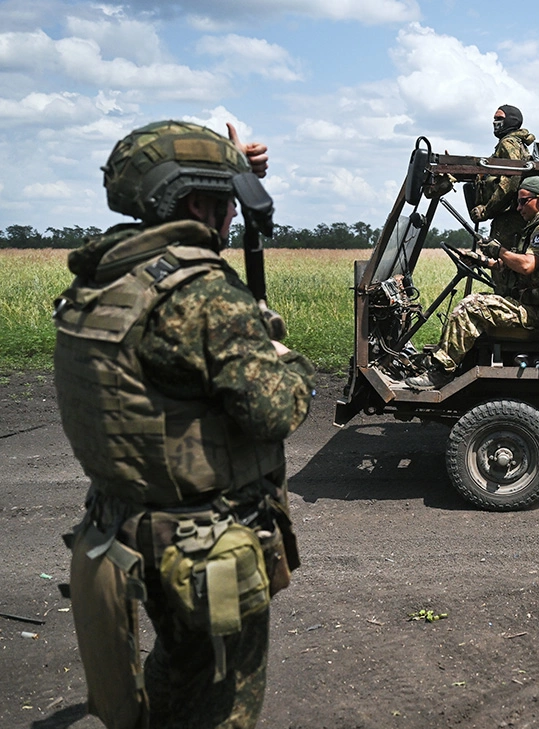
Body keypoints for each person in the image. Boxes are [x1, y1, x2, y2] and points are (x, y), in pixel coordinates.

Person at [53, 120, 315, 729]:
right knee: (223, 703)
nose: (230, 218)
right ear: (199, 203)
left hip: (123, 531)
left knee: (178, 675)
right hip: (202, 547)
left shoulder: (105, 277)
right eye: (224, 201)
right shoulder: (204, 295)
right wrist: (285, 358)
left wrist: (233, 166)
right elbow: (276, 412)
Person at [405, 175, 539, 390]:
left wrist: (499, 250)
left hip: (538, 313)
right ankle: (439, 361)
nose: (518, 208)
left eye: (523, 202)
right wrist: (485, 261)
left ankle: (441, 372)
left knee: (471, 306)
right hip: (531, 306)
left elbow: (526, 265)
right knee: (475, 302)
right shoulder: (533, 227)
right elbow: (518, 266)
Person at [469, 104, 536, 245]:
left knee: (501, 262)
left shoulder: (508, 143)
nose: (495, 122)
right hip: (510, 217)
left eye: (499, 118)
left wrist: (486, 210)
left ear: (511, 120)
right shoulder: (515, 143)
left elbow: (512, 178)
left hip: (509, 219)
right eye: (494, 118)